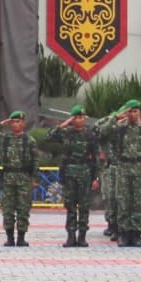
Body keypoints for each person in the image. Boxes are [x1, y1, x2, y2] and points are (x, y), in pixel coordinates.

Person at [96, 99, 141, 247]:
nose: (133, 115)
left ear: (140, 113)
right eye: (130, 112)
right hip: (123, 167)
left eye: (135, 111)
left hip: (140, 167)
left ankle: (136, 234)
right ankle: (123, 234)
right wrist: (116, 117)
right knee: (123, 201)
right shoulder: (119, 129)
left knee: (138, 202)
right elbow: (101, 132)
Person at [44, 105, 98, 247]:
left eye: (81, 117)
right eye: (76, 117)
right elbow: (49, 137)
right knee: (71, 205)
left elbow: (96, 158)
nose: (79, 120)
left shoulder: (90, 135)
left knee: (84, 206)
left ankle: (82, 236)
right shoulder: (66, 133)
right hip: (69, 173)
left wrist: (95, 177)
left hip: (85, 172)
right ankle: (71, 235)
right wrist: (64, 124)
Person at [0, 110, 38, 247]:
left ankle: (21, 237)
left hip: (24, 179)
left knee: (23, 210)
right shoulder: (5, 139)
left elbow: (35, 161)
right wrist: (2, 124)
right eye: (13, 121)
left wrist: (35, 179)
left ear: (23, 123)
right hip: (8, 178)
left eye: (18, 121)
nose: (15, 124)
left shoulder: (29, 141)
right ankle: (9, 238)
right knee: (7, 209)